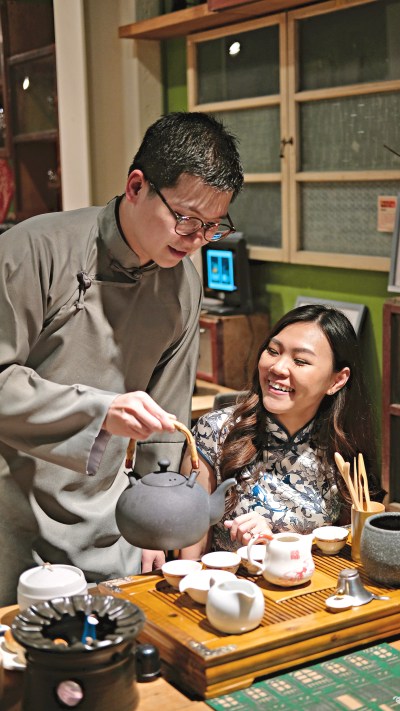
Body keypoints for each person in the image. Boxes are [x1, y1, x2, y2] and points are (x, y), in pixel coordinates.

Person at [0, 111, 244, 605]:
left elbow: (167, 417)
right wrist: (100, 411)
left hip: (109, 518)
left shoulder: (183, 284)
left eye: (211, 227)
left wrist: (155, 517)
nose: (196, 240)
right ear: (136, 186)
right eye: (185, 219)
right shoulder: (34, 250)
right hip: (12, 509)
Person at [180, 304, 380, 558]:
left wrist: (279, 543)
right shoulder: (215, 432)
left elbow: (352, 547)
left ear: (337, 380)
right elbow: (190, 557)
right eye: (273, 351)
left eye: (300, 361)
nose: (277, 368)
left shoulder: (344, 448)